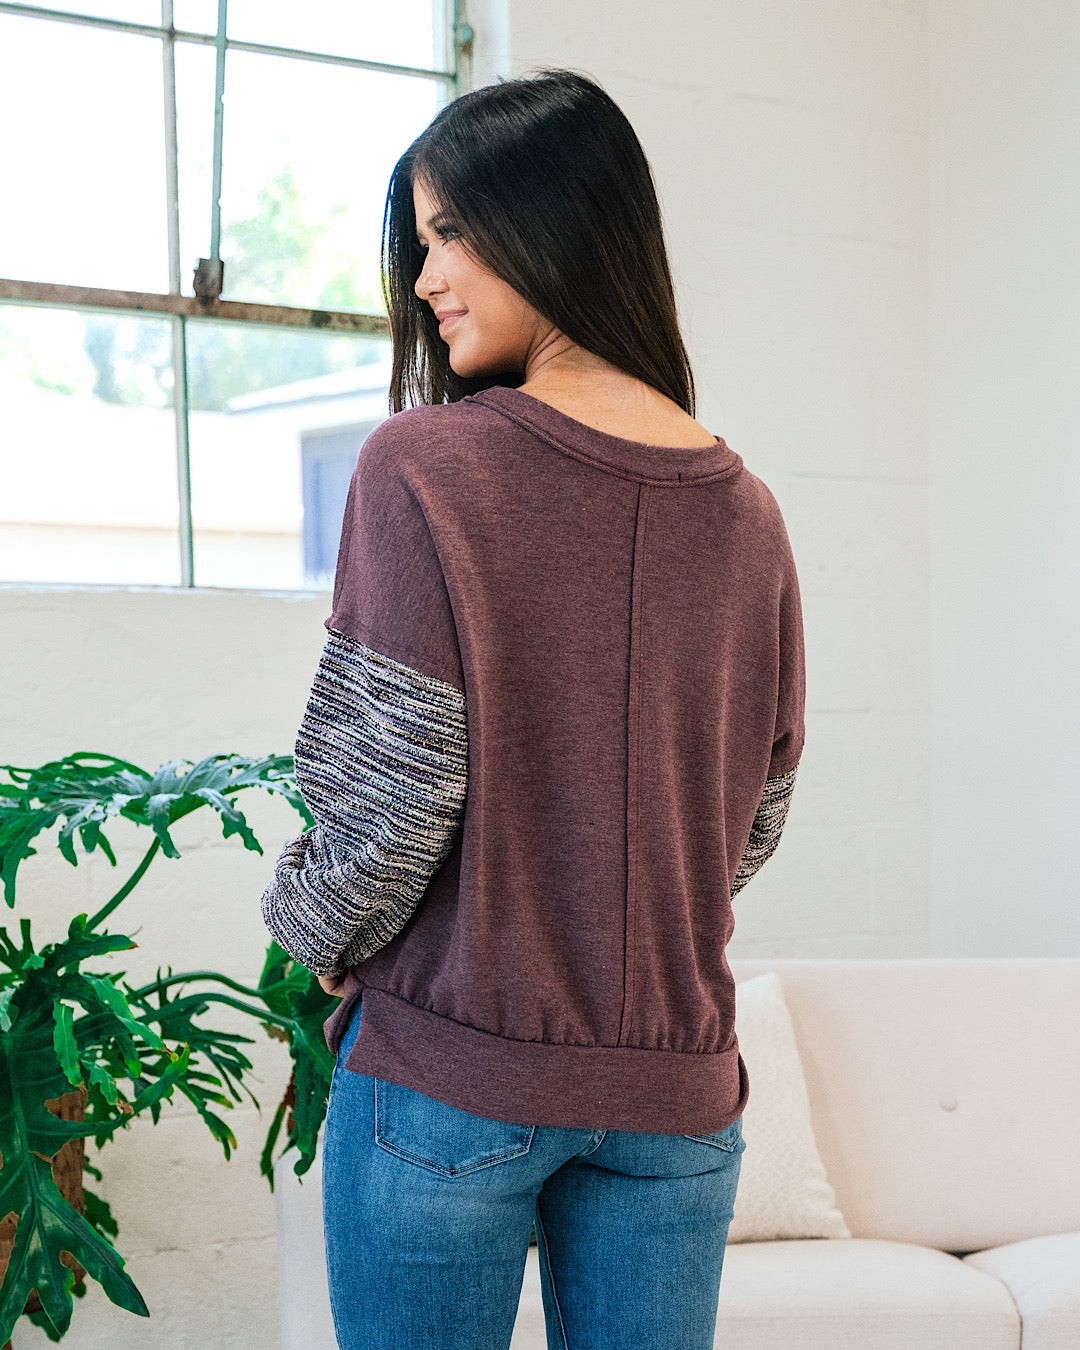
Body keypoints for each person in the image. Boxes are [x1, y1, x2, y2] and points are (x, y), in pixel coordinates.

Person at [261, 67, 805, 1350]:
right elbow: (753, 817)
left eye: (450, 232)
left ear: (552, 222)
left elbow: (393, 799)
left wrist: (312, 927)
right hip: (675, 1099)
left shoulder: (423, 465)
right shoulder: (749, 512)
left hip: (452, 1074)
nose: (424, 279)